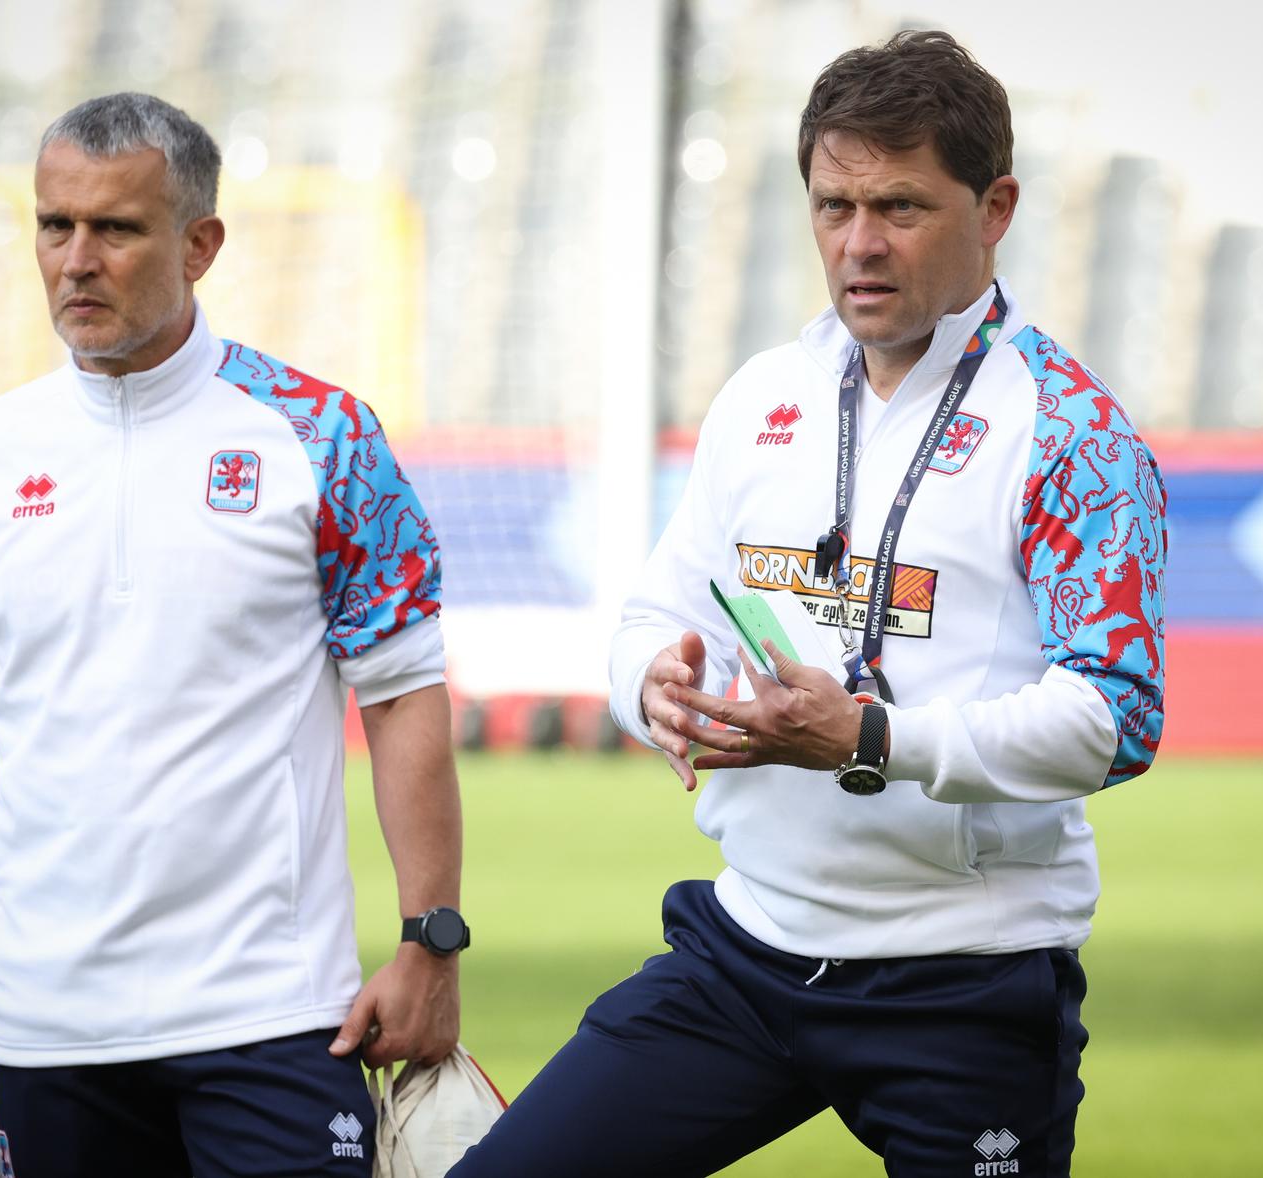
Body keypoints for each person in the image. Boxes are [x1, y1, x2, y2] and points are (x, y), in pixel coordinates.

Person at [452, 30, 1165, 1177]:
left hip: (964, 981)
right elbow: (650, 613)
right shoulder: (764, 395)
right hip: (746, 952)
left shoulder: (1072, 433)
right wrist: (657, 692)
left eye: (900, 206)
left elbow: (1118, 719)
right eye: (833, 205)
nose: (860, 244)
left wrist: (868, 735)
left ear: (996, 209)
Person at [0, 92, 470, 1178]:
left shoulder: (323, 434)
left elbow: (405, 694)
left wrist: (432, 938)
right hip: (50, 1028)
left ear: (200, 243)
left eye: (116, 229)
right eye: (54, 224)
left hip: (275, 1013)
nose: (76, 259)